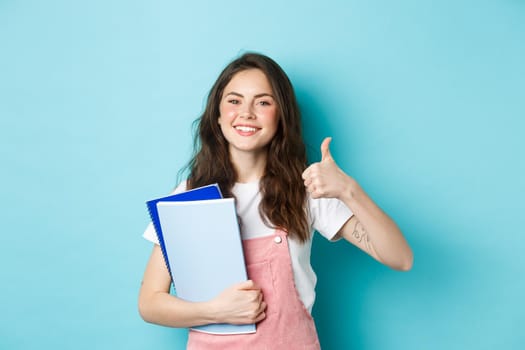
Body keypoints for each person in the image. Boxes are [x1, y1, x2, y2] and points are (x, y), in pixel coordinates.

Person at [138, 52, 413, 349]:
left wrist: (349, 190)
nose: (246, 112)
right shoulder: (190, 196)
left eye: (263, 102)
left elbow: (400, 258)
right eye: (234, 101)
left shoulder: (307, 190)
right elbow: (150, 302)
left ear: (281, 116)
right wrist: (216, 311)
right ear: (217, 115)